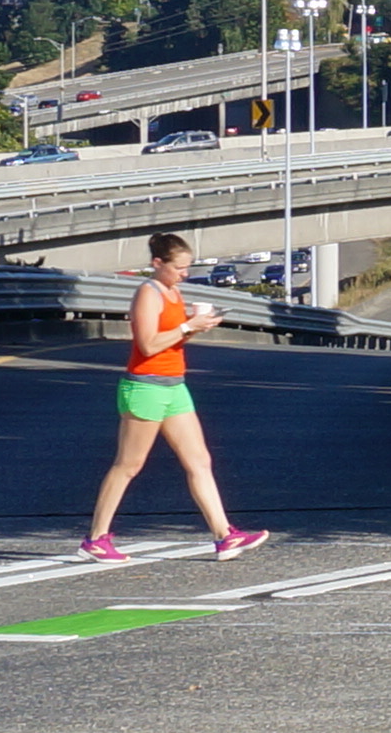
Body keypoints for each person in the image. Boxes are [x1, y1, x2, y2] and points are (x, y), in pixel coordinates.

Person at [84, 231, 269, 562]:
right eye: (179, 267)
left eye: (187, 267)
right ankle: (96, 539)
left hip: (174, 385)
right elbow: (147, 344)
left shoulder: (173, 292)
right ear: (158, 263)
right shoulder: (148, 293)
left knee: (199, 461)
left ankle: (224, 535)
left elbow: (170, 341)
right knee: (129, 464)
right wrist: (186, 327)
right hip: (145, 386)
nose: (184, 273)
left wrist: (195, 326)